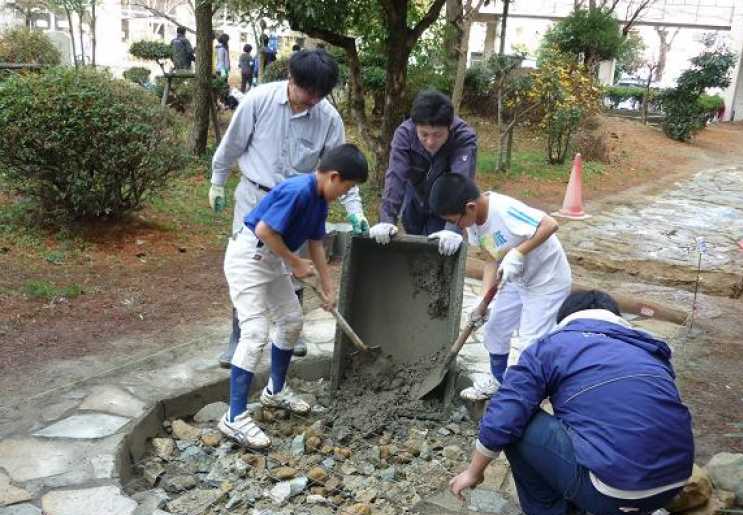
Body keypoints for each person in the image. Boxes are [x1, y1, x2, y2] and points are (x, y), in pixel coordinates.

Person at [450, 290, 694, 515]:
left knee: (518, 421)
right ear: (615, 318)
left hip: (612, 490)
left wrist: (474, 471)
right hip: (672, 485)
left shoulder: (553, 346)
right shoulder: (648, 349)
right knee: (633, 427)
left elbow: (504, 413)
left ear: (565, 320)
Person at [209, 48, 369, 368]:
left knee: (294, 267)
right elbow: (232, 145)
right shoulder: (259, 100)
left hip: (300, 202)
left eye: (319, 95)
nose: (311, 99)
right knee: (251, 262)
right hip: (256, 196)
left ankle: (289, 330)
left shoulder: (328, 119)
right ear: (291, 79)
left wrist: (355, 209)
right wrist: (217, 180)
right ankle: (239, 333)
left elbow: (341, 169)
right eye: (306, 91)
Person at [218, 144, 369, 448]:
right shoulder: (298, 191)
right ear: (334, 177)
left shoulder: (319, 200)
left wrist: (328, 287)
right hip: (248, 258)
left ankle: (275, 391)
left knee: (290, 321)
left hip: (271, 260)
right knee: (255, 332)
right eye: (347, 187)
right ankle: (234, 417)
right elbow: (263, 230)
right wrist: (294, 261)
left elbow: (315, 243)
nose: (344, 194)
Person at [429, 173, 571, 400]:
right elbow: (491, 259)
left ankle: (525, 397)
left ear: (470, 207)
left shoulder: (503, 210)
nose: (457, 227)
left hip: (547, 280)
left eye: (456, 221)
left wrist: (518, 252)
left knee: (531, 343)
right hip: (516, 278)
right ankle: (497, 379)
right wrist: (483, 300)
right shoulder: (474, 222)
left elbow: (550, 224)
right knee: (495, 328)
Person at [369, 90, 477, 256]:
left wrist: (453, 229)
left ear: (449, 127)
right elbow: (395, 177)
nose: (430, 142)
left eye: (438, 135)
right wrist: (386, 220)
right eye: (424, 134)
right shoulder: (404, 134)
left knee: (439, 249)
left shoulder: (463, 137)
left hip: (446, 200)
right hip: (414, 196)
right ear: (415, 126)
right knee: (415, 245)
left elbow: (461, 182)